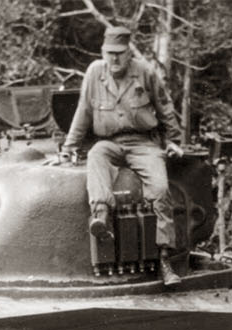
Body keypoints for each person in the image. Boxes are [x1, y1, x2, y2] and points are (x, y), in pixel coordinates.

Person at [62, 24, 186, 286]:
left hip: (143, 143)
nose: (114, 59)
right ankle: (102, 215)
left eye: (119, 53)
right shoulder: (95, 73)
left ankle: (165, 258)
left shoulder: (145, 72)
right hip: (109, 142)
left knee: (161, 190)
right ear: (102, 52)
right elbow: (83, 111)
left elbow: (164, 106)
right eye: (109, 53)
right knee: (96, 155)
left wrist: (174, 140)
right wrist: (69, 147)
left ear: (129, 52)